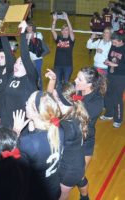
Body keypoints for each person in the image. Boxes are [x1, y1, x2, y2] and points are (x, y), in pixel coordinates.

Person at [46, 70, 88, 200]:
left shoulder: (65, 126)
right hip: (78, 160)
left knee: (62, 195)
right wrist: (53, 81)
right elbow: (49, 97)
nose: (52, 96)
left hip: (69, 169)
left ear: (59, 100)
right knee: (80, 179)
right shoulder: (75, 110)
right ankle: (85, 197)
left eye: (54, 95)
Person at [18, 91, 64, 200]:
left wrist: (15, 133)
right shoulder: (59, 130)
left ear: (35, 111)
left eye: (28, 102)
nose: (25, 103)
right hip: (54, 188)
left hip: (37, 193)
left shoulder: (27, 142)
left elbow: (16, 169)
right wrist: (32, 131)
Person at [74, 67, 107, 199]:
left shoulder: (97, 101)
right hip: (70, 139)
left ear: (90, 85)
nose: (75, 80)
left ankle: (84, 196)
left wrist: (73, 100)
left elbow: (81, 118)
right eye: (77, 77)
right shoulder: (76, 89)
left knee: (79, 174)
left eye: (79, 79)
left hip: (85, 140)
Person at [0, 21, 38, 129]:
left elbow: (25, 57)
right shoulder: (11, 75)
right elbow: (8, 53)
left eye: (20, 63)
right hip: (5, 123)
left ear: (28, 68)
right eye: (16, 62)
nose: (16, 64)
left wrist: (22, 32)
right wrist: (2, 33)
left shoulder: (30, 79)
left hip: (22, 126)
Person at [101, 31, 125, 128]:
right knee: (107, 94)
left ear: (121, 41)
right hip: (110, 74)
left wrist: (115, 65)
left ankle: (118, 119)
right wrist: (108, 61)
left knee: (117, 98)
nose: (113, 44)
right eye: (113, 42)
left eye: (115, 42)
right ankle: (109, 114)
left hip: (121, 77)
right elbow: (111, 56)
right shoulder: (113, 46)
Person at [51, 12, 75, 85]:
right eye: (63, 30)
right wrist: (55, 20)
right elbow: (52, 30)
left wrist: (66, 19)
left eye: (66, 30)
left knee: (66, 84)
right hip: (57, 65)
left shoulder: (71, 40)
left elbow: (71, 31)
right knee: (58, 84)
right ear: (61, 31)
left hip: (67, 66)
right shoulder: (58, 39)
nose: (65, 31)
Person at [26, 22, 49, 89]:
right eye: (27, 27)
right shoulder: (25, 36)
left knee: (38, 76)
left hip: (37, 60)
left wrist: (30, 37)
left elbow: (38, 43)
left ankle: (40, 91)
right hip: (29, 60)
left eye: (30, 26)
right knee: (29, 75)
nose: (29, 28)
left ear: (33, 27)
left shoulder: (38, 34)